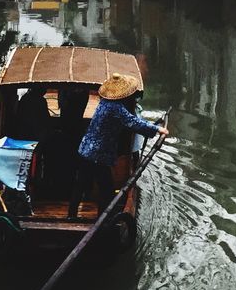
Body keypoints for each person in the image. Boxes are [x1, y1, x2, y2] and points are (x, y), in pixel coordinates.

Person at [67, 73, 167, 220]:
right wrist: (157, 129)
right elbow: (133, 122)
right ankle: (102, 221)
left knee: (80, 184)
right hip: (98, 155)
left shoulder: (104, 102)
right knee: (106, 190)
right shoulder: (115, 108)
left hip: (85, 150)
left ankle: (71, 215)